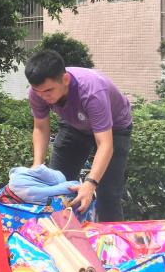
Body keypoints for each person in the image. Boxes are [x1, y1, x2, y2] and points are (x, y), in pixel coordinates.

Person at [25, 49, 133, 222]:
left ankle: (112, 236)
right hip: (75, 125)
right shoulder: (37, 92)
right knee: (56, 186)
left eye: (49, 90)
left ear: (65, 80)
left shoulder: (92, 91)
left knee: (108, 194)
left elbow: (105, 144)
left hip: (115, 128)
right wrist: (37, 164)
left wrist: (90, 183)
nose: (44, 97)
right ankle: (60, 233)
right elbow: (40, 128)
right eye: (39, 92)